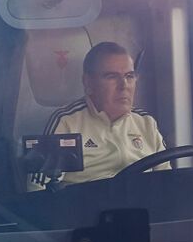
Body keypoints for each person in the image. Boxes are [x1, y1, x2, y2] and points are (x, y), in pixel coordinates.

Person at [43, 41, 165, 184]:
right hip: (88, 204)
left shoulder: (146, 123)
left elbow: (168, 183)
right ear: (88, 83)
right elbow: (39, 192)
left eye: (129, 76)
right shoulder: (67, 122)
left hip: (143, 203)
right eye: (112, 77)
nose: (124, 85)